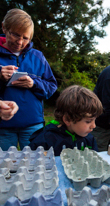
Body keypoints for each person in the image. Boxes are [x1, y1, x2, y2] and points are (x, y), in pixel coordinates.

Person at [0, 9, 57, 151]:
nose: (19, 42)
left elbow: (51, 87)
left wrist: (34, 83)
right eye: (15, 35)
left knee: (34, 166)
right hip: (3, 126)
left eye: (25, 38)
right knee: (5, 168)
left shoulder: (38, 56)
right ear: (4, 28)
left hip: (33, 125)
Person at [29, 85, 103, 156]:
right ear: (68, 119)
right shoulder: (45, 140)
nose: (94, 126)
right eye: (88, 121)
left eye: (95, 120)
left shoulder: (89, 139)